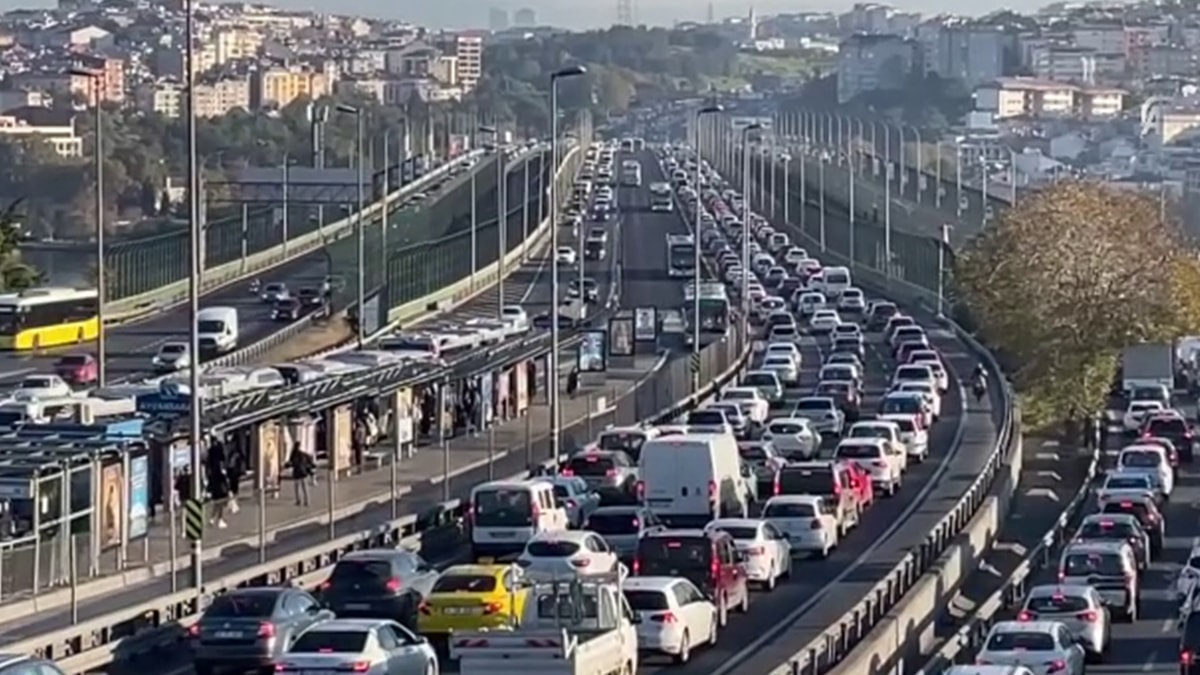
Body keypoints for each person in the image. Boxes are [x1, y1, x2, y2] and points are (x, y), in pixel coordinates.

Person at [287, 441, 315, 506]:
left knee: (297, 487)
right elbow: (309, 459)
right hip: (304, 472)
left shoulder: (293, 454)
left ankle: (298, 501)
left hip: (297, 472)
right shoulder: (303, 454)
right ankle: (307, 501)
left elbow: (292, 463)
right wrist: (310, 466)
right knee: (305, 487)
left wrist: (287, 465)